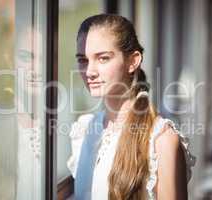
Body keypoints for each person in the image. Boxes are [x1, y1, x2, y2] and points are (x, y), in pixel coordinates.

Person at [67, 14, 196, 200]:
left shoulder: (161, 139)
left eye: (102, 58)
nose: (89, 71)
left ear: (133, 61)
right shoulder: (84, 129)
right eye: (83, 60)